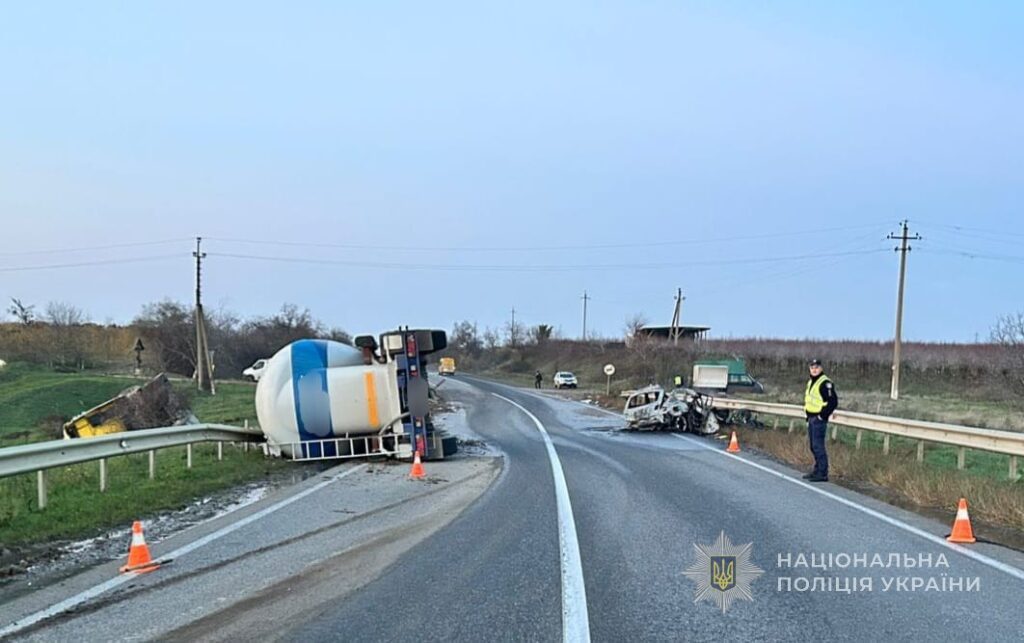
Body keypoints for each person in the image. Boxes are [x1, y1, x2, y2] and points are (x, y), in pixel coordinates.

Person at [803, 359, 838, 482]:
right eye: (812, 367)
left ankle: (822, 473)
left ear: (821, 368)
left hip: (818, 419)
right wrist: (808, 417)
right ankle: (817, 470)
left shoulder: (825, 383)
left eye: (816, 367)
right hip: (811, 418)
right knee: (813, 446)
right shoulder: (811, 382)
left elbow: (833, 402)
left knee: (818, 446)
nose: (814, 369)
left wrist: (822, 416)